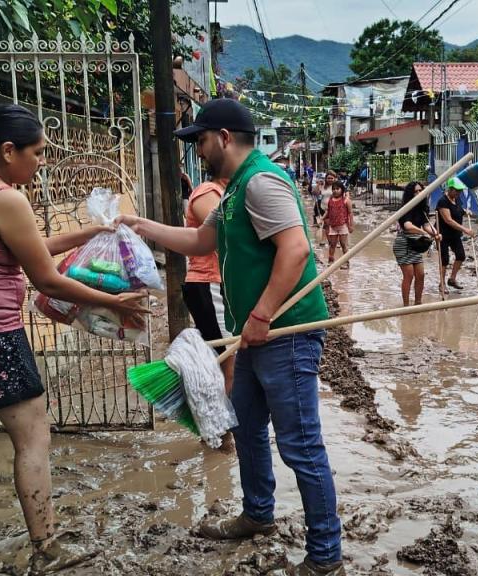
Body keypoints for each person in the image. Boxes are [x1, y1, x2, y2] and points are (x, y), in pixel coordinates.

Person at [0, 104, 147, 575]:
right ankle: (46, 546)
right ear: (7, 150)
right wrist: (118, 305)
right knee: (33, 436)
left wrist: (95, 230)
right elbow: (48, 281)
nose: (41, 162)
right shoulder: (5, 199)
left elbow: (23, 249)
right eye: (37, 153)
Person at [115, 98, 343, 576]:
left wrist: (260, 315)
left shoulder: (260, 182)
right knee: (247, 428)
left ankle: (326, 556)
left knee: (300, 445)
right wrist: (142, 227)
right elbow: (201, 241)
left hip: (286, 334)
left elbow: (297, 248)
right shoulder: (235, 188)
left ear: (222, 137)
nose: (197, 150)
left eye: (199, 139)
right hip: (255, 336)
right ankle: (258, 514)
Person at [183, 177, 235, 397]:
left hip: (219, 284)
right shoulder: (208, 191)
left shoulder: (227, 192)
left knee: (227, 362)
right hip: (209, 284)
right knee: (230, 365)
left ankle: (225, 428)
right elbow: (228, 233)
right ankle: (223, 428)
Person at [393, 181, 441, 306]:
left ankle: (418, 303)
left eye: (420, 190)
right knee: (409, 275)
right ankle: (406, 306)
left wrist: (435, 233)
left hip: (416, 244)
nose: (419, 193)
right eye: (416, 191)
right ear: (410, 194)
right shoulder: (405, 209)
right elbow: (407, 226)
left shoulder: (422, 209)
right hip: (403, 243)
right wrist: (422, 232)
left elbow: (426, 226)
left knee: (421, 275)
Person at [437, 177, 475, 291]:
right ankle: (442, 284)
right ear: (450, 189)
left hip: (454, 234)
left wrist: (465, 211)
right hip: (443, 234)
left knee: (461, 255)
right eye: (456, 190)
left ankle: (452, 279)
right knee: (444, 259)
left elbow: (458, 209)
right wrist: (465, 230)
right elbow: (448, 220)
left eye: (460, 190)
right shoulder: (443, 201)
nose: (459, 193)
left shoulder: (457, 199)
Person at [324, 180, 353, 268]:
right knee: (332, 244)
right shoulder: (330, 200)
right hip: (333, 226)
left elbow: (350, 213)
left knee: (343, 244)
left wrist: (351, 226)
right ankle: (331, 260)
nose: (335, 191)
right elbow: (328, 212)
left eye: (337, 189)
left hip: (343, 225)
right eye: (334, 189)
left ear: (342, 190)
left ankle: (346, 262)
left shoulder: (346, 201)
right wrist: (323, 219)